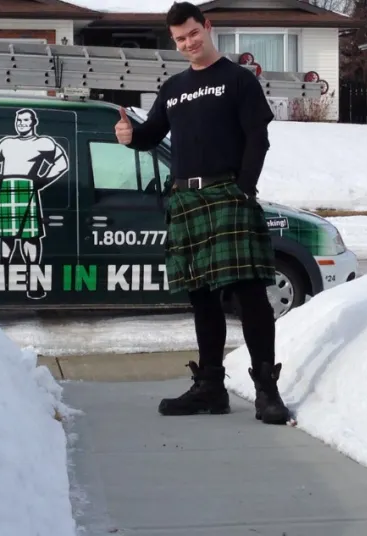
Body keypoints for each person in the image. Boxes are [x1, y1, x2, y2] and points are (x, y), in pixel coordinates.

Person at [115, 1, 289, 425]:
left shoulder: (238, 80)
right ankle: (210, 387)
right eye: (179, 39)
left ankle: (266, 389)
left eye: (193, 33)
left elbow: (257, 139)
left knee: (250, 295)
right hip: (185, 200)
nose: (188, 43)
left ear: (207, 27)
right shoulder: (174, 88)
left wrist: (244, 190)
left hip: (227, 193)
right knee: (202, 297)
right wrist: (129, 136)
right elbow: (151, 134)